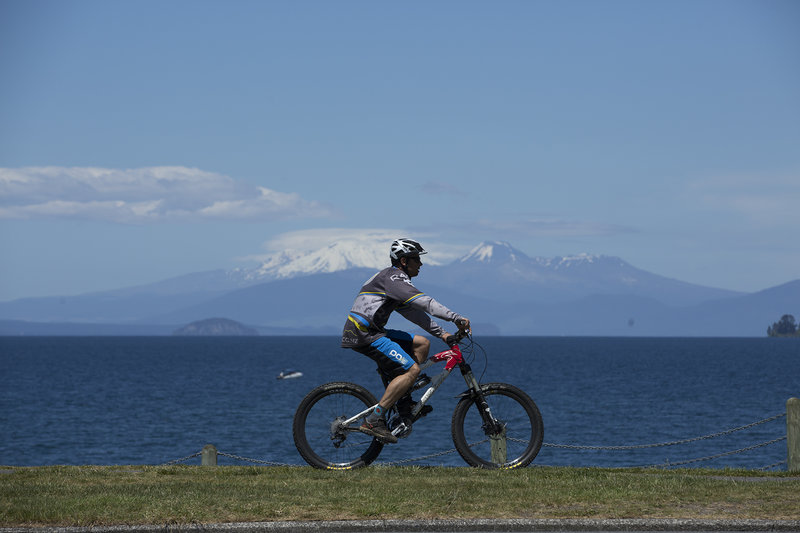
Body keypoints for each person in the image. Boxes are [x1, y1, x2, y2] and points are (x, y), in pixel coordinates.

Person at [341, 238, 471, 443]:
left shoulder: (393, 282)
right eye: (416, 259)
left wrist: (443, 334)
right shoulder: (395, 279)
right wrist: (455, 317)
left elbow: (415, 314)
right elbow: (424, 303)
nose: (420, 263)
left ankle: (403, 403)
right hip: (363, 333)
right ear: (403, 261)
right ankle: (374, 420)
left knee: (422, 344)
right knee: (413, 371)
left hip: (372, 330)